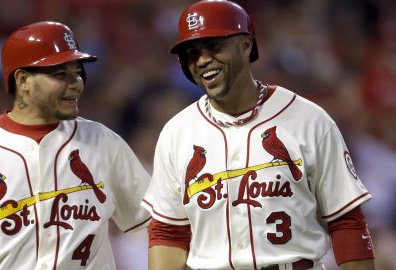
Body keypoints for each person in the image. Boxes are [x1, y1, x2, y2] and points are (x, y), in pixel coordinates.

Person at [141, 1, 375, 269]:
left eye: (214, 46)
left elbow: (346, 222)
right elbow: (169, 233)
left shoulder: (310, 120)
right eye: (192, 52)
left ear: (245, 45)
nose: (203, 60)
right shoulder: (176, 133)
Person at [0, 21, 151, 269]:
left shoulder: (104, 142)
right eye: (60, 74)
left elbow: (162, 223)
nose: (76, 82)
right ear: (23, 80)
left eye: (77, 71)